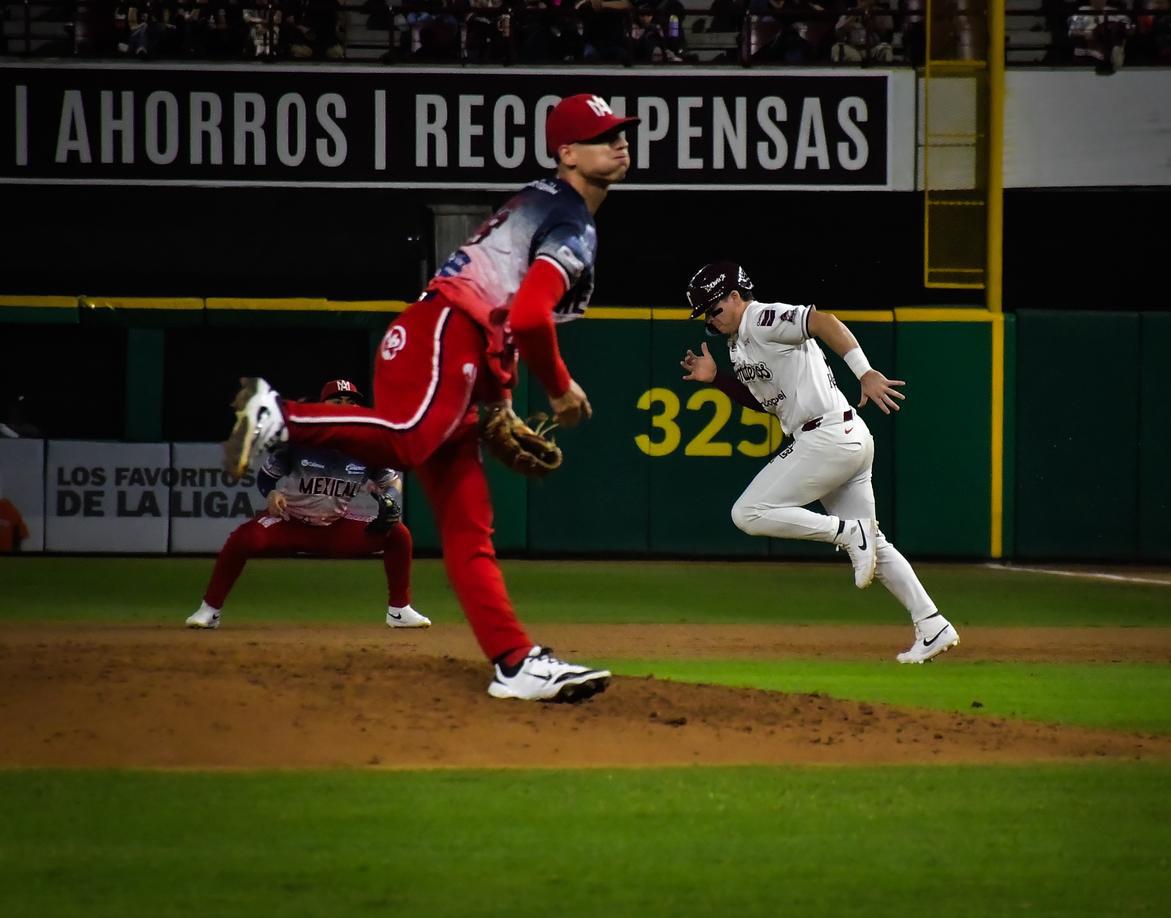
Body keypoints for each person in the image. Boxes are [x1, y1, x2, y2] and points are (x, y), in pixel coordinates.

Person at [219, 94, 635, 702]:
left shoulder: (541, 202)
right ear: (567, 153)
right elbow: (529, 316)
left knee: (470, 527)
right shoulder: (570, 218)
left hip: (448, 337)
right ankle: (279, 414)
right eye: (603, 137)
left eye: (621, 134)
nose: (620, 143)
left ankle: (514, 663)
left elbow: (506, 314)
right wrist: (560, 389)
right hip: (444, 330)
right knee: (412, 436)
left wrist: (497, 406)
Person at [678, 262, 960, 664]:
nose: (710, 318)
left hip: (827, 437)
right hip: (844, 437)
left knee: (749, 512)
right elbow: (765, 403)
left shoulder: (760, 318)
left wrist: (864, 372)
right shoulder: (738, 343)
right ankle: (932, 623)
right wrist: (718, 379)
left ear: (736, 297)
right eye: (705, 312)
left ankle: (846, 534)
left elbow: (823, 321)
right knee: (875, 544)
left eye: (714, 308)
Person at [187, 379, 430, 630]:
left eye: (351, 403)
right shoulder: (302, 439)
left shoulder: (368, 446)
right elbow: (266, 477)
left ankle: (399, 610)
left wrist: (389, 497)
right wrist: (271, 494)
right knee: (243, 539)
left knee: (398, 535)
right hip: (290, 522)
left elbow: (392, 481)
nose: (344, 408)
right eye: (336, 402)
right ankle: (210, 610)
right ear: (322, 406)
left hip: (334, 528)